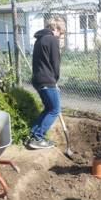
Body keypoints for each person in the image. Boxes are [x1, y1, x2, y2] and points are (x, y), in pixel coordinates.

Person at [26, 17, 66, 149]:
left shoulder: (40, 39)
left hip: (38, 79)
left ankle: (32, 134)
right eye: (61, 33)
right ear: (56, 29)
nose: (60, 36)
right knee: (55, 109)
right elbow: (56, 64)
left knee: (48, 108)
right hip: (47, 80)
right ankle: (38, 137)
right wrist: (55, 81)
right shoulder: (52, 39)